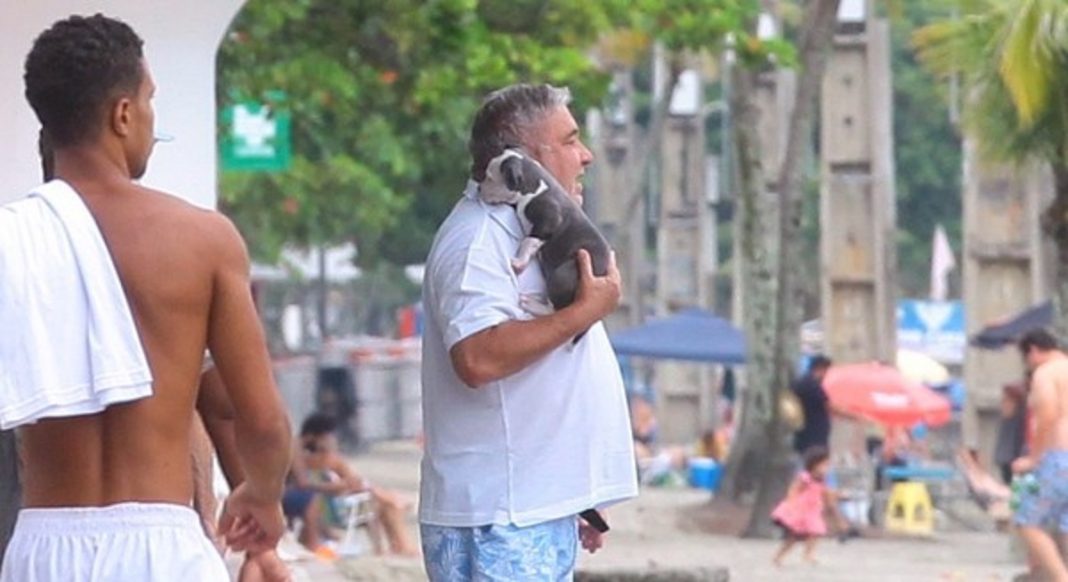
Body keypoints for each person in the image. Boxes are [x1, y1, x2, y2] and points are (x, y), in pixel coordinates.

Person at [1, 14, 291, 581]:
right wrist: (262, 497)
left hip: (42, 547)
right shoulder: (203, 239)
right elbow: (258, 419)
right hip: (160, 548)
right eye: (150, 100)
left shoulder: (12, 240)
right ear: (123, 113)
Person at [419, 83, 638, 581]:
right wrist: (583, 312)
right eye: (570, 140)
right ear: (522, 158)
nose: (587, 155)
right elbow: (476, 357)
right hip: (502, 518)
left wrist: (579, 497)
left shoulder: (526, 227)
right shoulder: (479, 241)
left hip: (531, 509)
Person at [283, 413, 418, 557]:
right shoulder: (311, 458)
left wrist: (345, 485)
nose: (332, 440)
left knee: (380, 503)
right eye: (329, 437)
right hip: (330, 508)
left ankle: (399, 542)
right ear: (317, 437)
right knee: (379, 503)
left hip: (335, 503)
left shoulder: (324, 459)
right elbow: (305, 485)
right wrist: (342, 485)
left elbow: (351, 480)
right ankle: (400, 541)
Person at [1012, 328, 1068, 582]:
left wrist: (1034, 458)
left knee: (1028, 521)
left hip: (1059, 457)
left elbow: (1048, 416)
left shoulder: (1046, 374)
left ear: (1033, 351)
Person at [771, 446, 848, 567]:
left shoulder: (823, 480)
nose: (826, 468)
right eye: (824, 464)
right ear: (814, 464)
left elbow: (827, 493)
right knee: (793, 538)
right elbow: (794, 489)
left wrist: (839, 495)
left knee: (815, 531)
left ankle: (808, 554)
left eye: (827, 465)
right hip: (801, 509)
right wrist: (791, 503)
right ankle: (778, 556)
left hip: (813, 511)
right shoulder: (805, 477)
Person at [792, 355, 836, 455]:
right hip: (813, 438)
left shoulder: (801, 382)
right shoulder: (811, 384)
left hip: (805, 436)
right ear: (820, 369)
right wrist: (855, 415)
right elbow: (829, 406)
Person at [995, 381, 1028, 485]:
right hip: (1008, 465)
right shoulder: (1006, 422)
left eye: (1007, 401)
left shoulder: (1022, 422)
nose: (1003, 405)